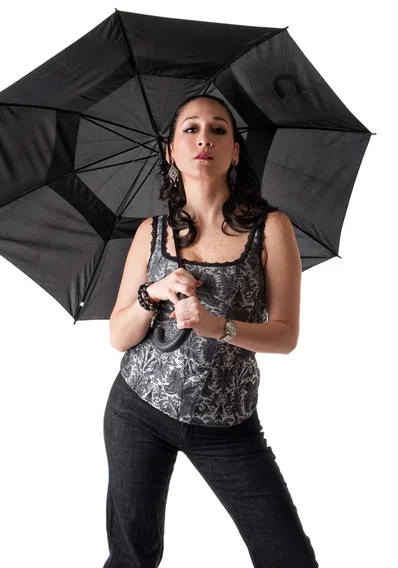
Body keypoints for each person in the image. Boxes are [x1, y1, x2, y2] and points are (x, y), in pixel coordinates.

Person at [103, 94, 319, 567]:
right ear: (171, 152)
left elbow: (285, 335)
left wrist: (217, 326)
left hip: (228, 425)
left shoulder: (271, 229)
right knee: (132, 558)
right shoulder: (151, 232)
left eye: (220, 130)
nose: (205, 138)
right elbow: (120, 336)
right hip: (138, 408)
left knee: (287, 557)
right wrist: (151, 293)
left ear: (235, 152)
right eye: (191, 129)